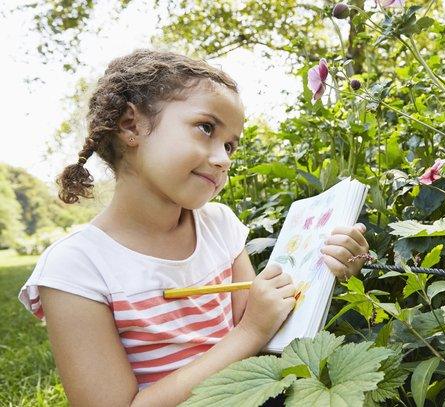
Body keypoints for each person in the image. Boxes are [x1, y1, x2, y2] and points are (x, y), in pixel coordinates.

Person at [17, 49, 370, 406]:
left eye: (231, 145)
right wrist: (249, 332)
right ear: (130, 125)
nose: (223, 160)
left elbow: (268, 337)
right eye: (206, 128)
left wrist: (328, 274)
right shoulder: (75, 268)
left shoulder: (220, 226)